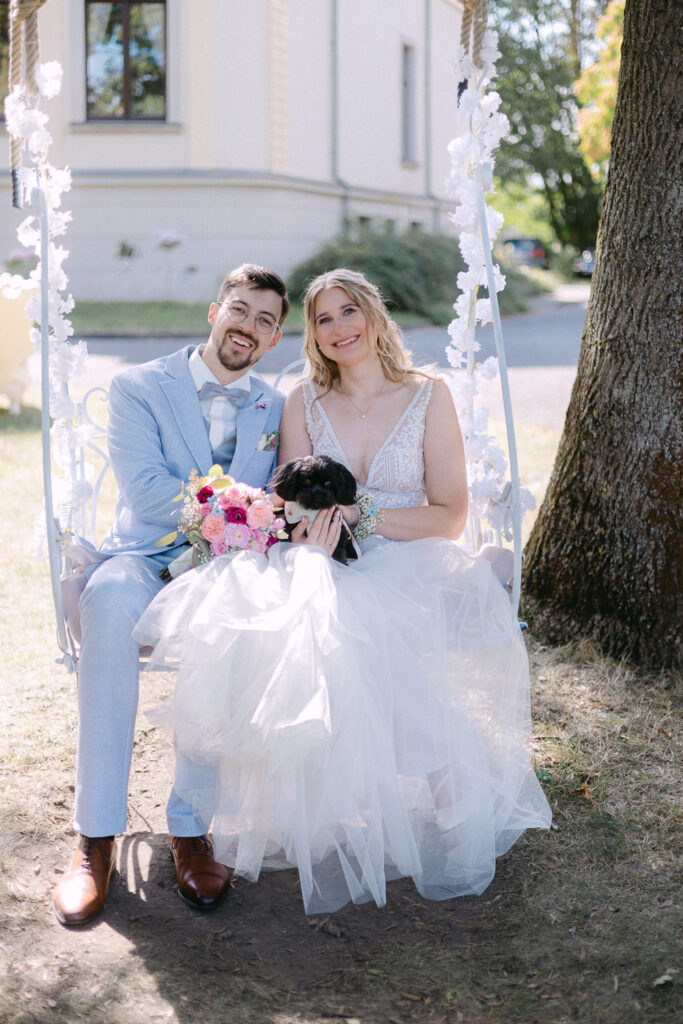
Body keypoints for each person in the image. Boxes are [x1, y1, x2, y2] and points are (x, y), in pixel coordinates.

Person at [134, 268, 552, 915]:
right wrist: (313, 543)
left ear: (373, 316)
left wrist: (368, 519)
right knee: (290, 605)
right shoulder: (304, 402)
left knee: (361, 614)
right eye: (322, 319)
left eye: (348, 312)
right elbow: (290, 500)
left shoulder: (426, 394)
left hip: (408, 555)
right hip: (316, 555)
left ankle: (441, 783)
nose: (338, 329)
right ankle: (354, 795)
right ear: (312, 334)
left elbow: (448, 514)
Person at [53, 264, 289, 926]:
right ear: (213, 312)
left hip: (223, 571)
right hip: (139, 556)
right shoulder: (137, 385)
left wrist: (247, 527)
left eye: (265, 320)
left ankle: (191, 829)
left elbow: (284, 495)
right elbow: (150, 492)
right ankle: (94, 839)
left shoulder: (276, 406)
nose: (249, 326)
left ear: (274, 340)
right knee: (104, 604)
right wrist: (245, 510)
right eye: (240, 309)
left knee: (227, 620)